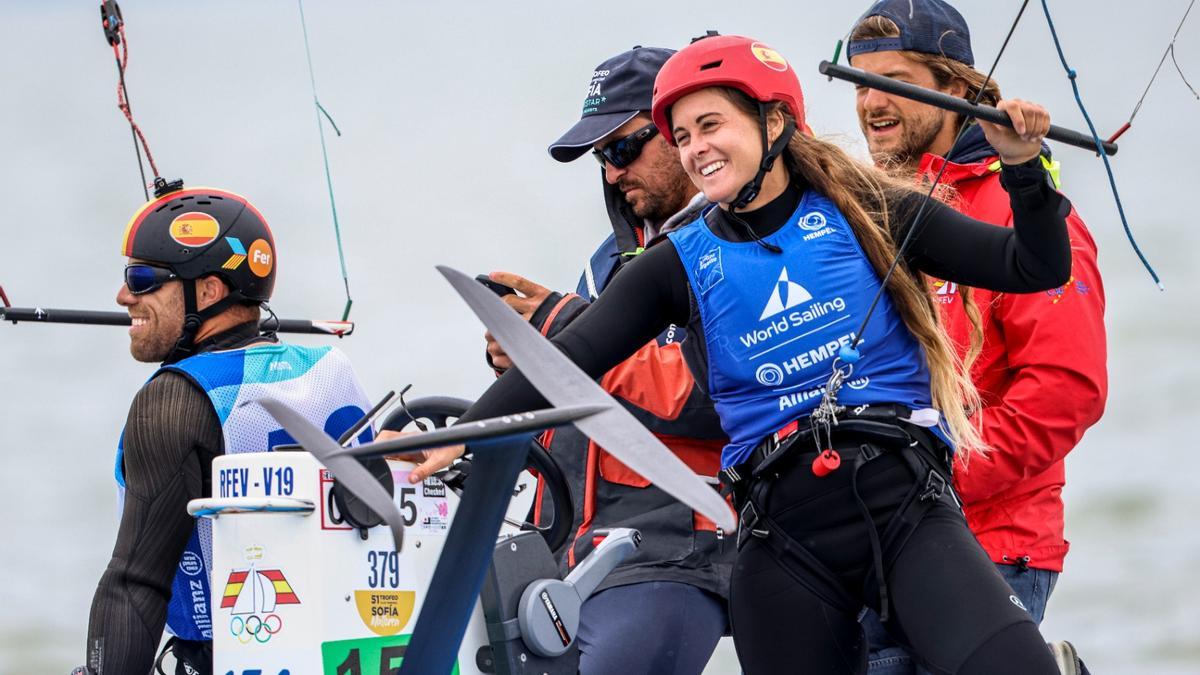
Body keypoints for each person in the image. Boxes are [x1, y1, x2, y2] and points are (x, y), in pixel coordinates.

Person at [410, 33, 1075, 674]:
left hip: (907, 512)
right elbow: (569, 356)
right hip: (783, 544)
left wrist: (1023, 165)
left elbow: (1036, 263)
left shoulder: (870, 209)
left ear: (775, 120)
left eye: (710, 124)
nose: (696, 147)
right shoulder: (677, 262)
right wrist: (462, 437)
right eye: (682, 135)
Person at [845, 2, 1106, 672]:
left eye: (893, 81)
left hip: (991, 546)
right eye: (860, 83)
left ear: (956, 87)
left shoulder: (1027, 217)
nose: (871, 102)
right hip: (869, 545)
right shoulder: (864, 212)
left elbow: (1066, 393)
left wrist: (929, 479)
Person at [482, 46, 732, 675]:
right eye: (601, 159)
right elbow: (593, 385)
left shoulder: (736, 242)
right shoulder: (607, 261)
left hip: (675, 560)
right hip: (570, 558)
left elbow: (710, 397)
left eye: (622, 149)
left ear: (683, 133)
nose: (613, 173)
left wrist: (560, 329)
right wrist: (523, 365)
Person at [81, 186, 374, 675]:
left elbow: (136, 583)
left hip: (237, 658)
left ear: (211, 290)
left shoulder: (174, 399)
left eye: (143, 277)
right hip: (350, 652)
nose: (123, 295)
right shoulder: (331, 368)